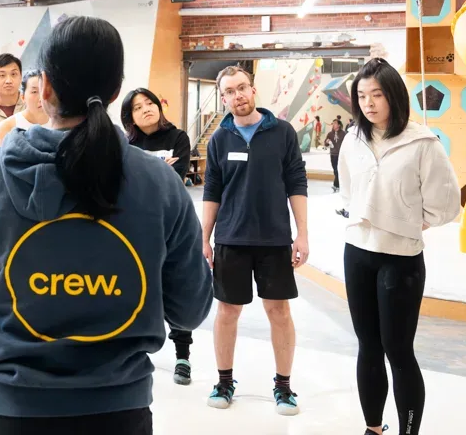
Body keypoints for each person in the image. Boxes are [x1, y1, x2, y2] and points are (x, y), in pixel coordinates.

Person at [0, 16, 213, 435]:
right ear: (116, 91)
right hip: (120, 412)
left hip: (12, 411)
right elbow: (189, 309)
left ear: (43, 88)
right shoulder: (160, 183)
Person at [337, 58, 461, 435]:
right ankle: (373, 428)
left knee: (398, 349)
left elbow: (445, 203)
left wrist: (409, 222)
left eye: (376, 94)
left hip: (401, 259)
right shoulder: (353, 139)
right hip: (358, 252)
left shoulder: (422, 142)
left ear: (394, 95)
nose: (368, 103)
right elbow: (348, 190)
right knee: (368, 345)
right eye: (362, 95)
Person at [202, 65, 309, 414]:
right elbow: (212, 190)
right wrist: (204, 238)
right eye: (230, 92)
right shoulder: (219, 139)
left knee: (278, 311)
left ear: (253, 89)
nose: (238, 96)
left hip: (274, 238)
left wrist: (302, 234)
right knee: (227, 311)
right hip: (231, 238)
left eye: (242, 88)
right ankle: (224, 382)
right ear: (223, 99)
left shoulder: (282, 132)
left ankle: (284, 386)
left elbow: (296, 182)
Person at [119, 87, 195, 384]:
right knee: (137, 289)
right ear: (130, 118)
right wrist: (160, 168)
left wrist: (145, 174)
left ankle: (182, 356)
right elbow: (123, 185)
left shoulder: (178, 138)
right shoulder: (126, 145)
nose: (146, 109)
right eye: (137, 107)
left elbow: (176, 179)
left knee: (176, 286)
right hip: (135, 227)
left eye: (149, 103)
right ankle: (134, 351)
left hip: (171, 224)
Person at [0, 70, 48, 144]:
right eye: (34, 92)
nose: (41, 98)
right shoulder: (7, 126)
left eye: (45, 90)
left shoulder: (61, 123)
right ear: (23, 97)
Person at [325, 119, 346, 192]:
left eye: (335, 123)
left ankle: (336, 185)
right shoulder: (330, 134)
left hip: (340, 154)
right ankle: (338, 185)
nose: (333, 124)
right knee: (335, 170)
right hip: (333, 154)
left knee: (338, 170)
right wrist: (327, 142)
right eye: (333, 123)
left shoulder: (343, 134)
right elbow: (325, 143)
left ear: (339, 125)